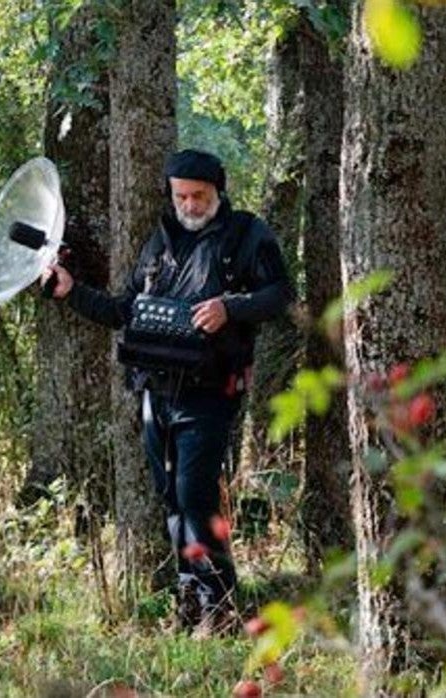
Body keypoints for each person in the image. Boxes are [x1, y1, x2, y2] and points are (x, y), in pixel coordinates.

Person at [41, 149, 294, 635]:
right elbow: (123, 311)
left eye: (199, 195)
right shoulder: (160, 243)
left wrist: (231, 307)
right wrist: (71, 290)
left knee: (194, 498)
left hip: (211, 391)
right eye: (182, 195)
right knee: (171, 501)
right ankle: (192, 599)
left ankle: (219, 606)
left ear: (218, 191)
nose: (191, 204)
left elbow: (280, 294)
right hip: (155, 391)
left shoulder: (246, 234)